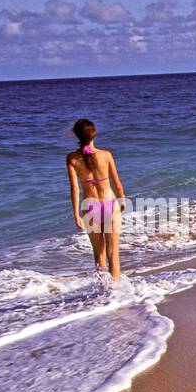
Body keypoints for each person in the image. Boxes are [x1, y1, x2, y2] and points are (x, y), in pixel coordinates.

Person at [66, 118, 125, 280]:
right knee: (113, 254)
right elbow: (117, 184)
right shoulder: (106, 155)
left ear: (77, 136)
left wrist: (76, 214)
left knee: (99, 254)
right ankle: (117, 293)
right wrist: (122, 200)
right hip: (110, 204)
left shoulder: (71, 158)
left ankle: (104, 292)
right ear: (94, 134)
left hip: (89, 207)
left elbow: (75, 188)